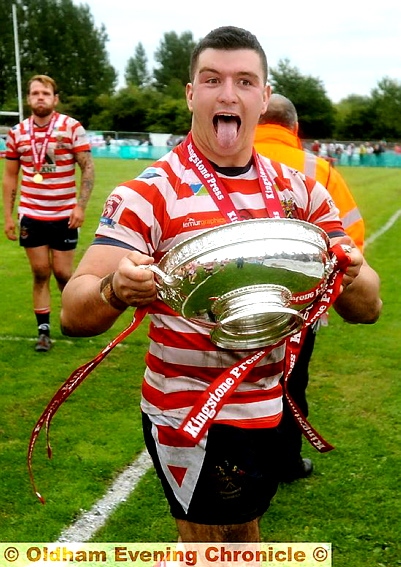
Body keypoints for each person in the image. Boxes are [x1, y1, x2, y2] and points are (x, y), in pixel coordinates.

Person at [60, 27, 382, 543]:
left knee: (241, 537)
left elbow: (368, 306)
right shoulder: (149, 193)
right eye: (212, 80)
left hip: (269, 408)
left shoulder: (300, 192)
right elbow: (74, 313)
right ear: (191, 94)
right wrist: (116, 291)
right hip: (191, 413)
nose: (228, 93)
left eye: (244, 81)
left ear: (263, 95)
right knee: (220, 545)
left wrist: (350, 267)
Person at [254, 93, 365, 482]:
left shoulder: (223, 158)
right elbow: (352, 242)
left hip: (229, 299)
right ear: (295, 127)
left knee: (225, 381)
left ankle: (224, 463)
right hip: (300, 302)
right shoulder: (320, 169)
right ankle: (285, 461)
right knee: (289, 381)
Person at [2, 75, 94, 352]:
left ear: (55, 98)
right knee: (40, 272)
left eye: (45, 93)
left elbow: (87, 167)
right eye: (34, 93)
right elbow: (9, 176)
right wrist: (7, 215)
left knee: (64, 273)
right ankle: (43, 332)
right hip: (31, 213)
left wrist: (80, 206)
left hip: (64, 215)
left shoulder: (71, 128)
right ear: (28, 99)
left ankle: (75, 319)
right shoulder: (17, 133)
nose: (39, 97)